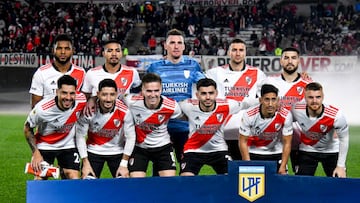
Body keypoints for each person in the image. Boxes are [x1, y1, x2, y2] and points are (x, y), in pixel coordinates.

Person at [146, 29, 205, 163]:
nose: (176, 46)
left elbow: (206, 87)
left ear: (184, 46)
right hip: (161, 128)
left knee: (186, 169)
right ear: (165, 46)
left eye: (179, 43)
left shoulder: (193, 66)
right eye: (172, 43)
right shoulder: (154, 68)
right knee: (161, 172)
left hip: (185, 127)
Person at [205, 38, 267, 160]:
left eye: (241, 50)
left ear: (245, 53)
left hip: (248, 134)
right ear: (228, 52)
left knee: (246, 172)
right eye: (234, 50)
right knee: (227, 174)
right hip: (222, 133)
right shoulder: (215, 73)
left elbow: (266, 100)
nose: (237, 53)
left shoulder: (258, 74)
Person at [24, 75, 87, 180]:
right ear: (57, 91)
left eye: (72, 93)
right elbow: (27, 128)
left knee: (74, 179)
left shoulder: (81, 100)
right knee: (39, 180)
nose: (68, 97)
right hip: (45, 145)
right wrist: (36, 153)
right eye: (64, 93)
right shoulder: (42, 109)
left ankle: (62, 170)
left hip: (68, 144)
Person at [179, 78, 245, 176]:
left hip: (218, 150)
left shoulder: (227, 105)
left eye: (211, 93)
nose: (208, 97)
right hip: (193, 150)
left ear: (216, 93)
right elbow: (172, 109)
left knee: (232, 178)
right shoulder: (187, 105)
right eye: (203, 94)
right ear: (197, 95)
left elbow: (247, 103)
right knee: (186, 179)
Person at [261, 47, 312, 173]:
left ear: (299, 61)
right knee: (275, 178)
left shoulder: (308, 83)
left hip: (300, 140)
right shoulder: (270, 81)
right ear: (281, 61)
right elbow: (260, 106)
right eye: (286, 58)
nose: (290, 61)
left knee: (301, 177)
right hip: (274, 139)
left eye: (293, 58)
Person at [124, 73, 182, 177]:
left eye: (156, 90)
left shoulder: (172, 107)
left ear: (161, 90)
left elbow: (182, 116)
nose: (153, 95)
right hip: (139, 148)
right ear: (142, 90)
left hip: (163, 147)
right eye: (149, 91)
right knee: (136, 184)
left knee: (169, 182)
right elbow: (117, 99)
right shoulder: (131, 101)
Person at [75, 79, 136, 179]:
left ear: (116, 94)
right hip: (93, 151)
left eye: (112, 94)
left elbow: (131, 137)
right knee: (88, 185)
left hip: (118, 151)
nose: (108, 99)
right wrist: (85, 163)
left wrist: (124, 164)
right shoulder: (89, 111)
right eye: (104, 94)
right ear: (98, 94)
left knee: (123, 186)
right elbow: (80, 136)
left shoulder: (125, 111)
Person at [291, 82, 349, 178]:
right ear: (305, 97)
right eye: (310, 97)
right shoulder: (296, 109)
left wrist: (341, 166)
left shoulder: (336, 115)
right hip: (307, 150)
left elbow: (344, 139)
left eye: (318, 97)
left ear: (323, 97)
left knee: (339, 184)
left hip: (331, 150)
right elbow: (284, 123)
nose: (314, 101)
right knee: (301, 184)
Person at [238, 84, 293, 174]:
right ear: (261, 100)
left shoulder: (286, 115)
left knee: (281, 184)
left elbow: (287, 143)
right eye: (267, 99)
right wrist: (247, 164)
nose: (270, 104)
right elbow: (243, 141)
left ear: (278, 100)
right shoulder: (249, 114)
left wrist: (283, 166)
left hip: (276, 153)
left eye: (273, 99)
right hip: (254, 153)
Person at [81, 39, 141, 114]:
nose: (114, 54)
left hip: (124, 117)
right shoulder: (92, 73)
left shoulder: (132, 72)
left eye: (117, 50)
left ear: (121, 53)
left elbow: (138, 93)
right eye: (110, 51)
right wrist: (92, 99)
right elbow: (85, 96)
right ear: (103, 53)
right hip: (98, 118)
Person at [29, 33, 86, 108]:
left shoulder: (81, 72)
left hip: (72, 119)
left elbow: (84, 100)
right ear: (53, 50)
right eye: (59, 48)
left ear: (73, 51)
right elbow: (35, 105)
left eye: (67, 48)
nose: (63, 52)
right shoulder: (42, 72)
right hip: (49, 119)